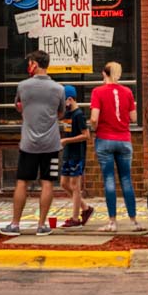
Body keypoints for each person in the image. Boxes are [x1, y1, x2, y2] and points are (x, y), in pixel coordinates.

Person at [1, 50, 65, 237]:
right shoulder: (59, 89)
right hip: (51, 144)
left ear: (34, 64)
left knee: (22, 182)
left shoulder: (23, 86)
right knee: (48, 182)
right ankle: (42, 225)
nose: (28, 66)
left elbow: (18, 106)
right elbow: (61, 113)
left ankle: (15, 224)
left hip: (28, 143)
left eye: (29, 63)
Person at [90, 61, 142, 233]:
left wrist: (94, 128)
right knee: (126, 179)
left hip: (104, 138)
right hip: (124, 139)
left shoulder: (97, 92)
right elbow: (134, 118)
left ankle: (112, 222)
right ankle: (134, 221)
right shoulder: (127, 92)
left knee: (109, 180)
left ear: (104, 74)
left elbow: (94, 117)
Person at [59, 85, 94, 228]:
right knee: (64, 183)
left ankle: (75, 218)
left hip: (77, 154)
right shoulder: (66, 115)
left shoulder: (79, 115)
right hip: (68, 153)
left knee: (75, 186)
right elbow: (67, 131)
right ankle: (85, 208)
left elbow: (86, 135)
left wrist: (67, 140)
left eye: (62, 101)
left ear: (69, 99)